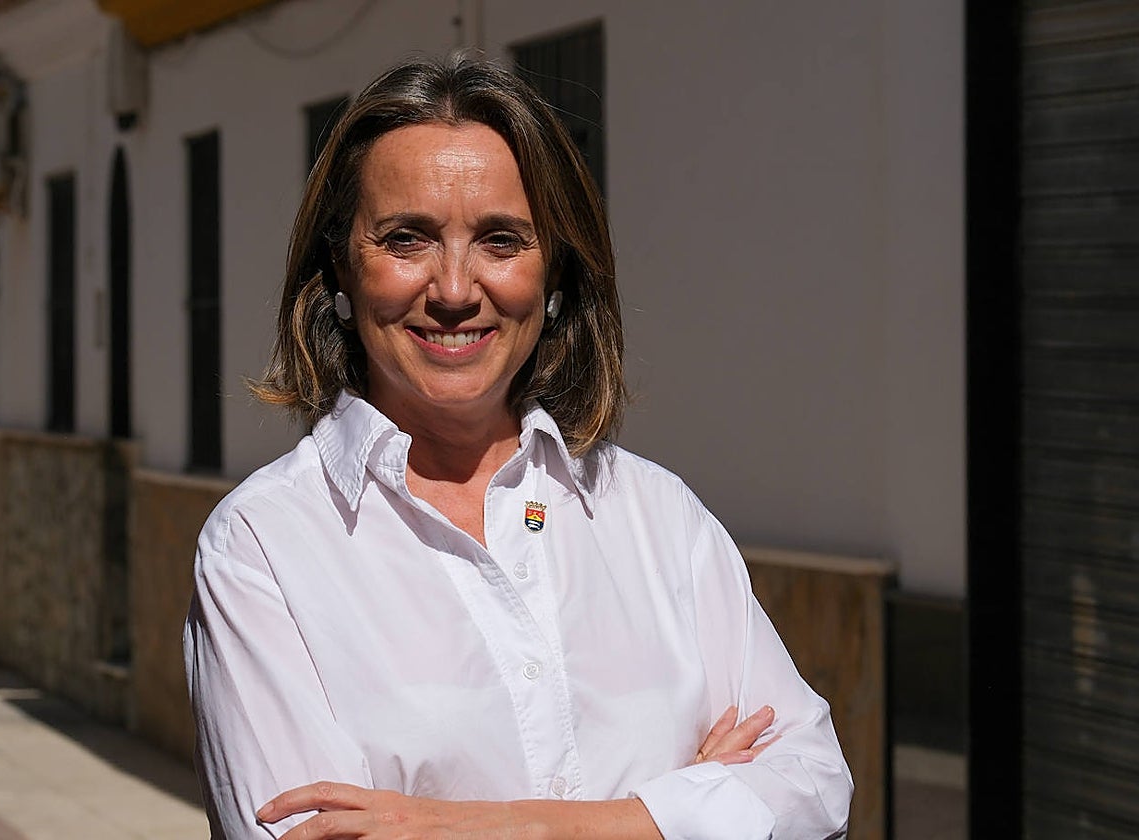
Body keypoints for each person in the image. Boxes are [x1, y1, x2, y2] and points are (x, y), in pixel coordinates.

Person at [184, 55, 852, 840]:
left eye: (501, 241)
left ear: (555, 273)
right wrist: (684, 811)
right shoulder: (263, 548)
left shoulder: (656, 517)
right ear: (340, 267)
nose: (455, 289)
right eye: (406, 239)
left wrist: (498, 826)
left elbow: (812, 786)